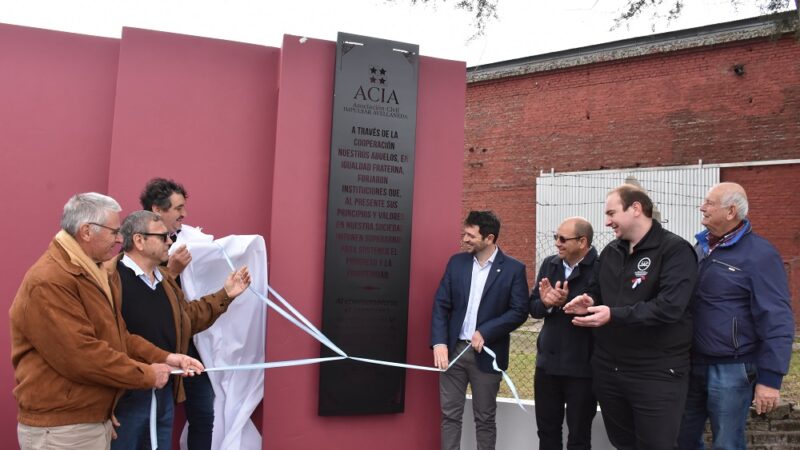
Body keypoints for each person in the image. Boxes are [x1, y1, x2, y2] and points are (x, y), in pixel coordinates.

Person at [10, 192, 203, 450]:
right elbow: (83, 355)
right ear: (86, 231)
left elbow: (118, 336)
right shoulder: (51, 280)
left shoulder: (92, 271)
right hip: (62, 429)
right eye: (113, 231)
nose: (119, 240)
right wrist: (147, 374)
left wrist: (167, 358)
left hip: (89, 420)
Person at [563, 184, 698, 450]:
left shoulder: (675, 250)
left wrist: (613, 315)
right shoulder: (611, 251)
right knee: (622, 443)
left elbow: (670, 307)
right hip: (610, 371)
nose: (606, 221)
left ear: (636, 208)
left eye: (612, 212)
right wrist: (588, 302)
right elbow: (598, 292)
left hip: (656, 373)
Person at [111, 211, 251, 450]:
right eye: (163, 236)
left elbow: (186, 320)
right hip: (124, 398)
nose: (170, 242)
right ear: (139, 241)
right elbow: (107, 341)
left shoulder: (165, 281)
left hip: (163, 393)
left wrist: (226, 294)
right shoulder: (110, 278)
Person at [676, 182, 794, 450]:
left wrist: (770, 380)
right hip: (692, 362)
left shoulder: (760, 255)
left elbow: (777, 318)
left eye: (709, 203)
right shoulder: (701, 247)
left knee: (727, 444)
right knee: (680, 439)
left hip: (733, 367)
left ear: (730, 211)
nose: (702, 207)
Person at [430, 210, 529, 450]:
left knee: (484, 419)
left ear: (490, 238)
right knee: (450, 416)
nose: (464, 239)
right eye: (464, 233)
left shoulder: (514, 269)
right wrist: (440, 343)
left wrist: (486, 331)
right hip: (454, 352)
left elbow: (519, 310)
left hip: (487, 355)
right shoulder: (456, 263)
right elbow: (441, 304)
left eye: (471, 235)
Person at [140, 178, 214, 449]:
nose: (184, 214)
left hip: (191, 348)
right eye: (178, 208)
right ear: (157, 210)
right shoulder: (139, 248)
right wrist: (172, 271)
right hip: (154, 351)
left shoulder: (189, 241)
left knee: (204, 414)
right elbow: (147, 302)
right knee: (152, 420)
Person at [530, 217, 598, 450]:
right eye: (555, 237)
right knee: (547, 432)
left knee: (579, 435)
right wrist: (548, 303)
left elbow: (604, 308)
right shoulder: (550, 265)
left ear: (582, 242)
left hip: (582, 366)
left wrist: (573, 302)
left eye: (562, 239)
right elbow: (534, 308)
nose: (557, 243)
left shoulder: (600, 267)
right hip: (547, 365)